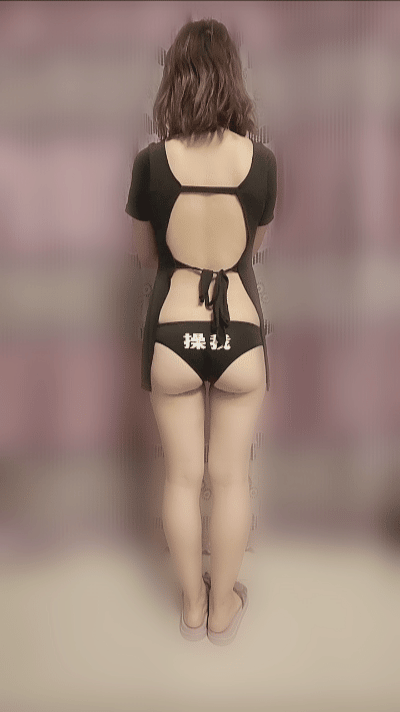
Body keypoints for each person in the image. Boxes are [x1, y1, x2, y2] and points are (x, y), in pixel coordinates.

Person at [125, 18, 277, 643]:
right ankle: (223, 611)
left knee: (181, 479)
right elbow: (252, 249)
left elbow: (146, 256)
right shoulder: (261, 162)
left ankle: (191, 608)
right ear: (232, 79)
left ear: (175, 80)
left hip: (173, 331)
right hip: (238, 330)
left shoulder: (151, 163)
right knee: (232, 479)